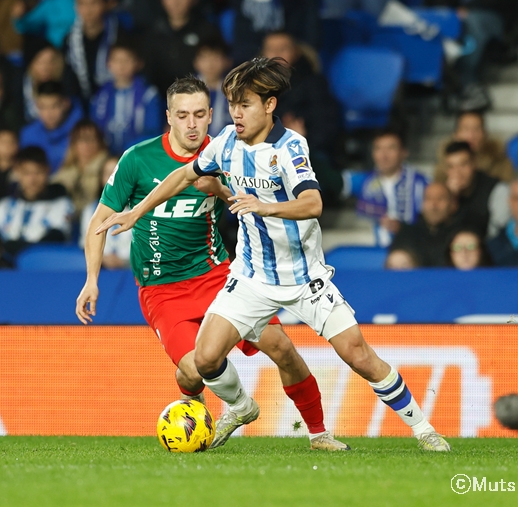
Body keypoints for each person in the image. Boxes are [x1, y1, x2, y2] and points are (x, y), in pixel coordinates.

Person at [91, 59, 450, 451]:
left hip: (304, 277)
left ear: (269, 105)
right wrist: (138, 212)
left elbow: (313, 203)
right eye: (232, 105)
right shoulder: (225, 143)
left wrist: (264, 206)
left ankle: (421, 430)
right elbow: (184, 175)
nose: (236, 113)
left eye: (244, 104)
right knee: (205, 360)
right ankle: (241, 408)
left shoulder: (290, 147)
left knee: (357, 354)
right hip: (251, 277)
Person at [76, 75, 350, 452]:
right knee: (190, 371)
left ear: (210, 115)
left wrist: (221, 189)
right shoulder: (137, 159)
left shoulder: (226, 151)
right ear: (168, 117)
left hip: (218, 275)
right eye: (182, 115)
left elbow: (254, 203)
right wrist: (92, 279)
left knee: (281, 348)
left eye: (199, 114)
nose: (192, 124)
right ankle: (236, 406)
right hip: (162, 289)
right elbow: (99, 222)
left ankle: (319, 433)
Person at [261, 31, 342, 158]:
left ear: (296, 52)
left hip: (308, 151)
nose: (276, 54)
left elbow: (326, 126)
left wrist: (302, 138)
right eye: (271, 49)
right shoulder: (253, 86)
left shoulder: (314, 83)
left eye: (283, 49)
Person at [143, 0, 223, 96]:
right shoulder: (152, 32)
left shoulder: (207, 31)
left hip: (197, 96)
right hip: (159, 98)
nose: (176, 1)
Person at [0, 146, 74, 256]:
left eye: (38, 172)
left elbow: (56, 239)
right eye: (27, 173)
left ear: (48, 171)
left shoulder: (62, 205)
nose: (33, 180)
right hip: (4, 265)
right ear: (17, 172)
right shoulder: (3, 206)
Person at [356, 129, 428, 247]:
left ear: (404, 152)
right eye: (378, 149)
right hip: (370, 250)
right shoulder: (364, 181)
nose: (384, 155)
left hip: (412, 248)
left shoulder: (421, 183)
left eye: (391, 148)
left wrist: (404, 229)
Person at [229, 0, 321, 63]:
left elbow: (309, 4)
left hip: (291, 35)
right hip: (252, 39)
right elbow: (239, 7)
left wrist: (310, 43)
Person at [89, 43, 162, 155]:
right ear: (108, 64)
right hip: (105, 155)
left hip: (138, 154)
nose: (121, 66)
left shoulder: (149, 95)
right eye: (117, 60)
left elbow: (153, 132)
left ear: (138, 64)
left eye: (127, 60)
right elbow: (94, 129)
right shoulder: (100, 96)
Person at [64, 0, 130, 101]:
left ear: (105, 4)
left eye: (93, 2)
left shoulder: (121, 36)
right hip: (82, 102)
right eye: (82, 3)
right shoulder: (70, 40)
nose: (88, 9)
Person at [388, 182, 460, 267]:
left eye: (440, 199)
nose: (434, 205)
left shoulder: (460, 233)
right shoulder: (407, 233)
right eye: (428, 199)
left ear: (452, 204)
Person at [78, 155, 130, 269]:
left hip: (132, 272)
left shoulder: (140, 209)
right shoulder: (89, 211)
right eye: (108, 174)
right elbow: (85, 245)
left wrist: (125, 262)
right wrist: (102, 259)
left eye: (117, 173)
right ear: (101, 178)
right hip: (100, 269)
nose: (113, 179)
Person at [20, 81, 85, 173]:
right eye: (43, 107)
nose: (49, 113)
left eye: (54, 106)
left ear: (66, 104)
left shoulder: (81, 133)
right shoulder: (28, 134)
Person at [441, 140, 500, 236]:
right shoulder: (443, 192)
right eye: (451, 167)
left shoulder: (496, 189)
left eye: (463, 165)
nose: (457, 172)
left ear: (474, 163)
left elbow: (495, 234)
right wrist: (450, 199)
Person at [52, 119, 109, 215]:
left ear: (100, 143)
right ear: (73, 144)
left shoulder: (107, 170)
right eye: (82, 139)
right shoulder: (65, 173)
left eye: (92, 139)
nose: (87, 144)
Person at [437, 110, 513, 182]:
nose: (471, 136)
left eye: (476, 129)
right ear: (455, 134)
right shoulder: (444, 165)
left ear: (485, 134)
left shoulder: (499, 162)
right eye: (466, 129)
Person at [13, 0, 81, 48]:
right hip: (55, 50)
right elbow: (26, 25)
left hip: (81, 48)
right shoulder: (49, 4)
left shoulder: (87, 0)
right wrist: (18, 16)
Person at [22, 42, 82, 123]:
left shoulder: (69, 85)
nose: (45, 68)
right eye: (40, 62)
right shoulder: (22, 86)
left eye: (51, 62)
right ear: (31, 64)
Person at [193, 39, 232, 138]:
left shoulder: (235, 91)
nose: (210, 64)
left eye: (216, 58)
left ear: (226, 61)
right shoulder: (185, 91)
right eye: (205, 58)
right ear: (196, 62)